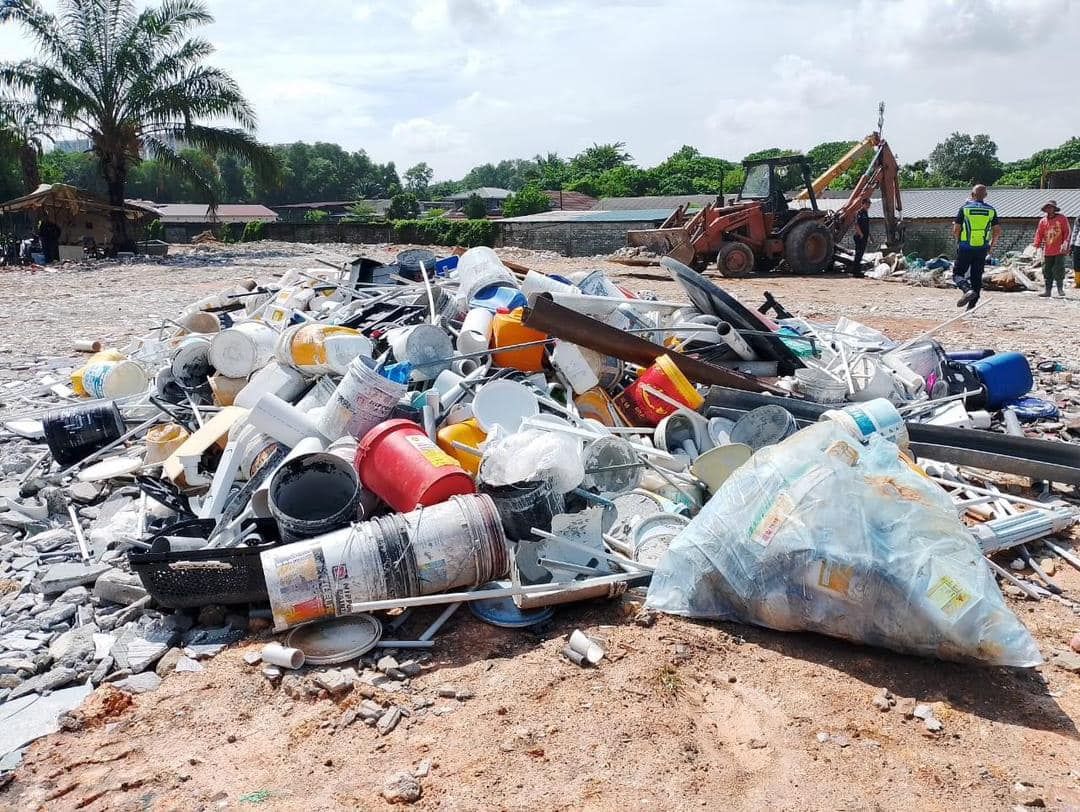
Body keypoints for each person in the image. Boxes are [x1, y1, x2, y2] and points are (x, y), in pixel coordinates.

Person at [952, 184, 1002, 309]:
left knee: (957, 274)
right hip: (982, 248)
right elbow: (997, 231)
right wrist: (991, 246)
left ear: (972, 194)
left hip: (965, 247)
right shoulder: (991, 210)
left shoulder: (965, 209)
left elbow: (956, 229)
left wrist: (958, 241)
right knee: (976, 276)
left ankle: (967, 290)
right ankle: (971, 307)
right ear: (985, 196)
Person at [1034, 200, 1073, 298]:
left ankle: (1060, 289)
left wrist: (1065, 243)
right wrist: (1037, 245)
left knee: (1059, 268)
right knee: (1046, 270)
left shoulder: (1061, 218)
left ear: (1054, 209)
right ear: (1045, 209)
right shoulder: (1043, 221)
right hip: (1048, 249)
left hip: (1059, 249)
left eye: (1051, 207)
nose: (1049, 209)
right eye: (1047, 207)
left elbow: (1067, 232)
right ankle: (1048, 290)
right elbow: (1039, 234)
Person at [852, 199, 871, 274]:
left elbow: (866, 226)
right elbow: (856, 225)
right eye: (867, 204)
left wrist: (870, 236)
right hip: (859, 237)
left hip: (864, 236)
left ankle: (857, 271)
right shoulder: (859, 213)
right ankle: (856, 272)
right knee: (858, 254)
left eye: (869, 204)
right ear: (862, 204)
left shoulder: (866, 213)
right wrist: (861, 235)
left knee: (861, 254)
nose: (868, 205)